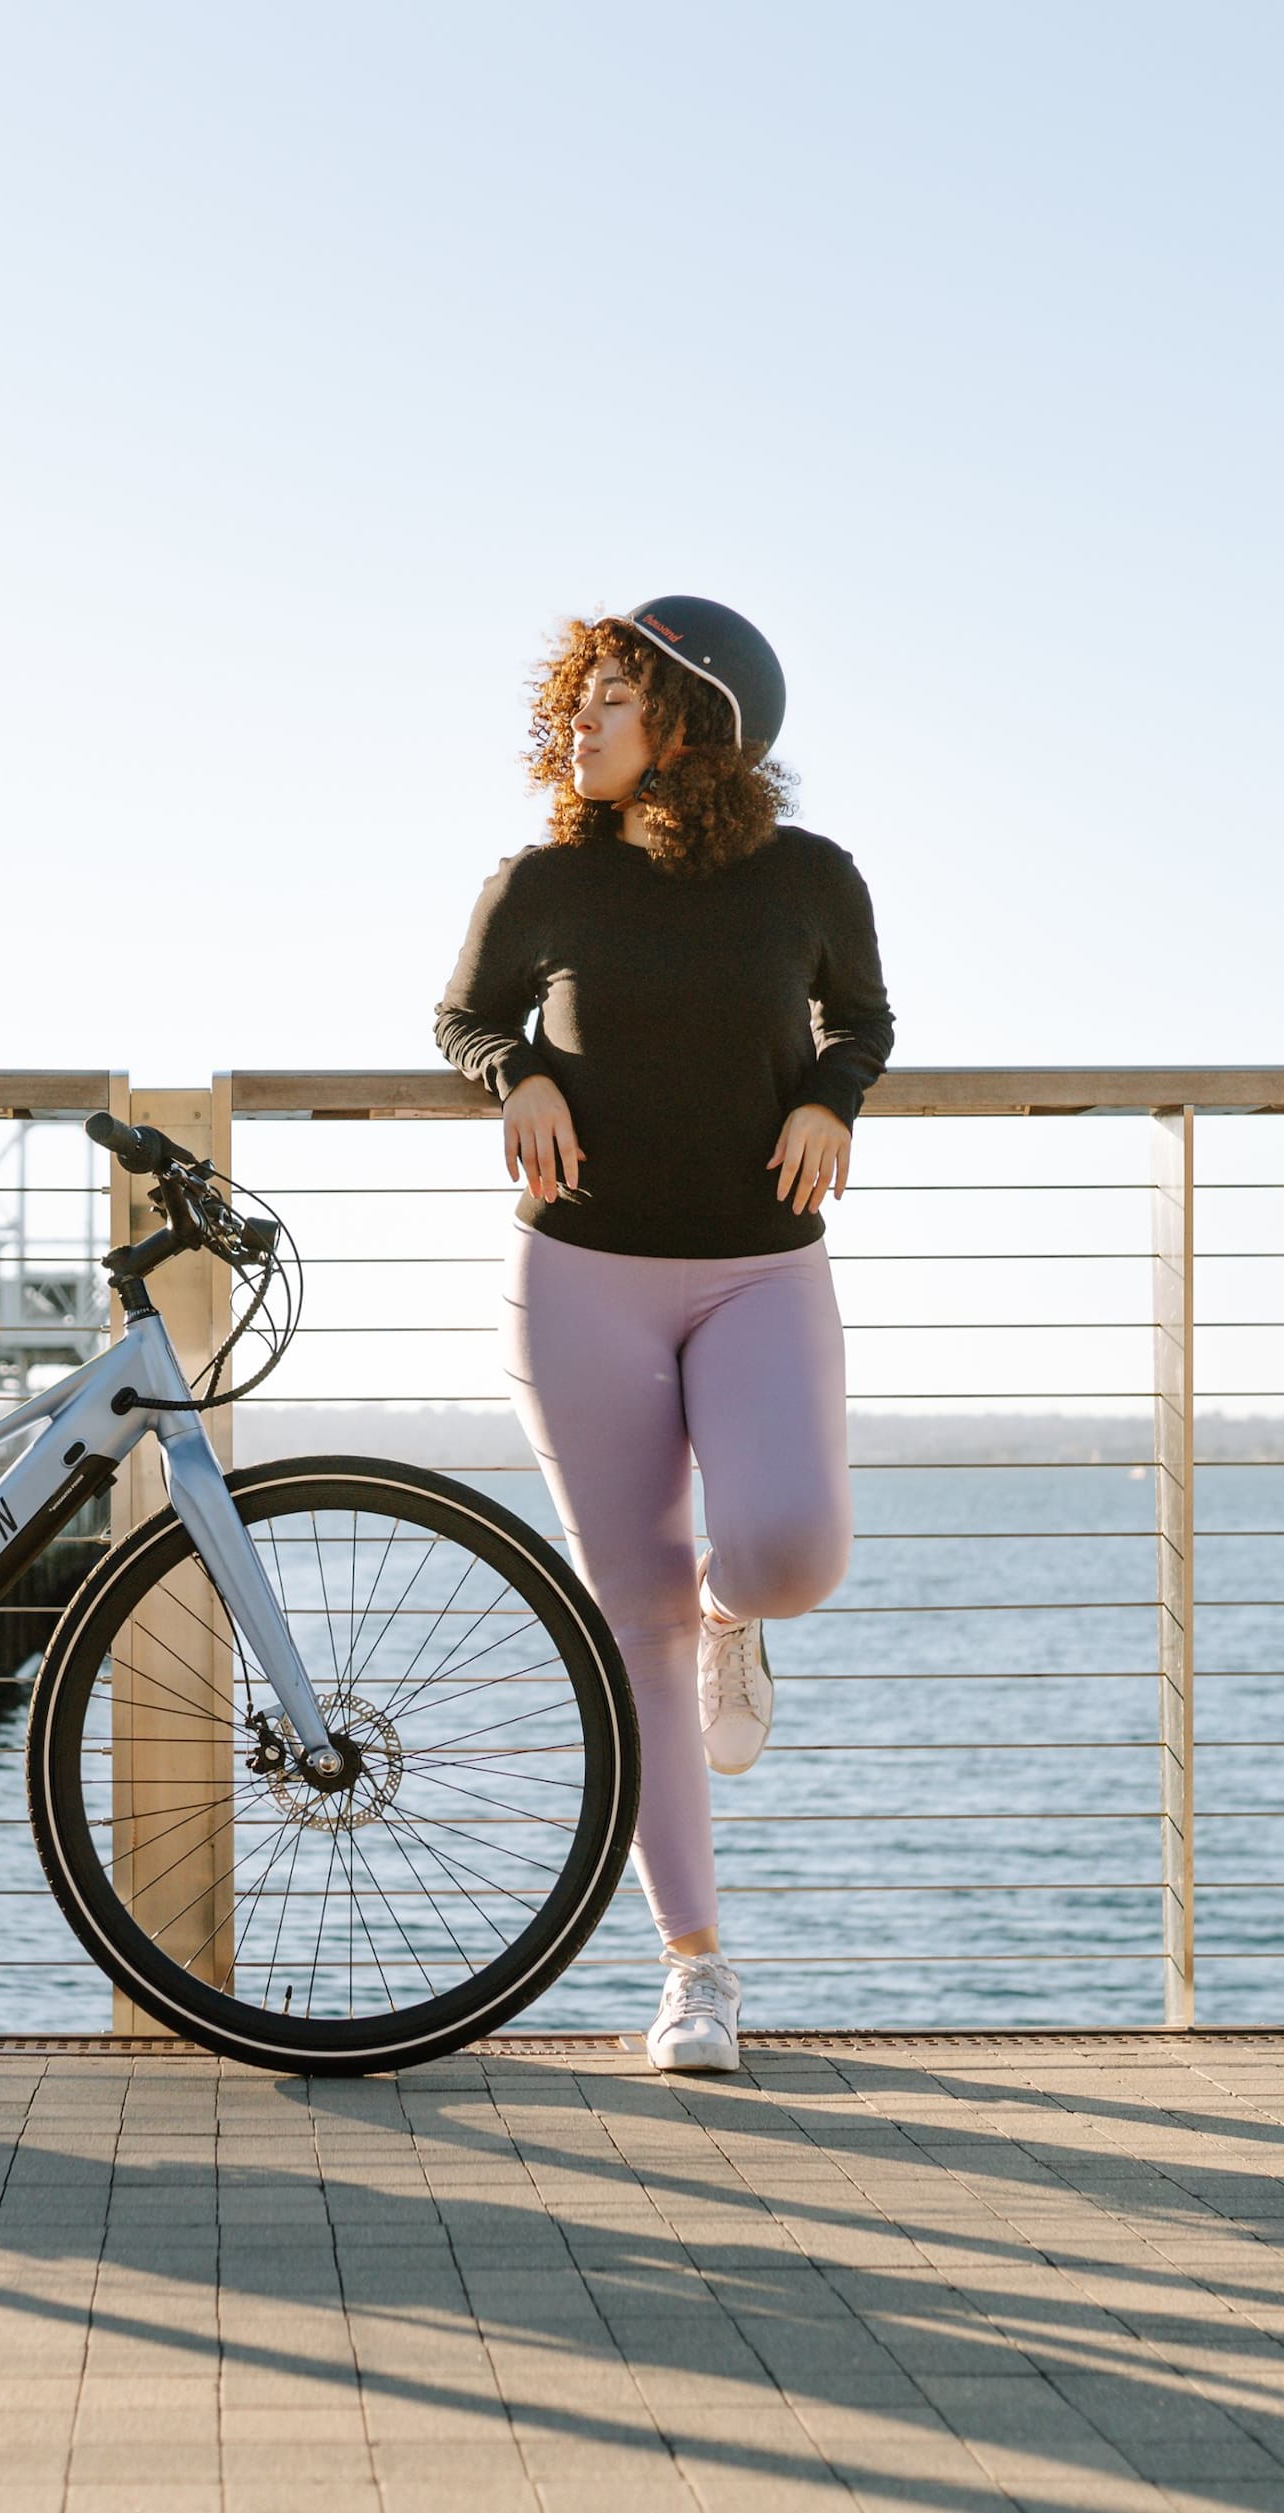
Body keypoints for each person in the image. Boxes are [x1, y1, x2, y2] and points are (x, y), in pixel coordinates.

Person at [433, 597, 892, 2075]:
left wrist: (830, 1097)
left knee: (789, 1551)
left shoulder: (810, 878)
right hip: (580, 1276)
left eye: (611, 696)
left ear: (694, 722)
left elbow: (863, 1018)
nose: (579, 722)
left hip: (761, 1268)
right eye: (578, 695)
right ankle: (697, 1968)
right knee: (636, 1620)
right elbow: (458, 1013)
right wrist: (511, 1067)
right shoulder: (545, 878)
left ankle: (735, 1617)